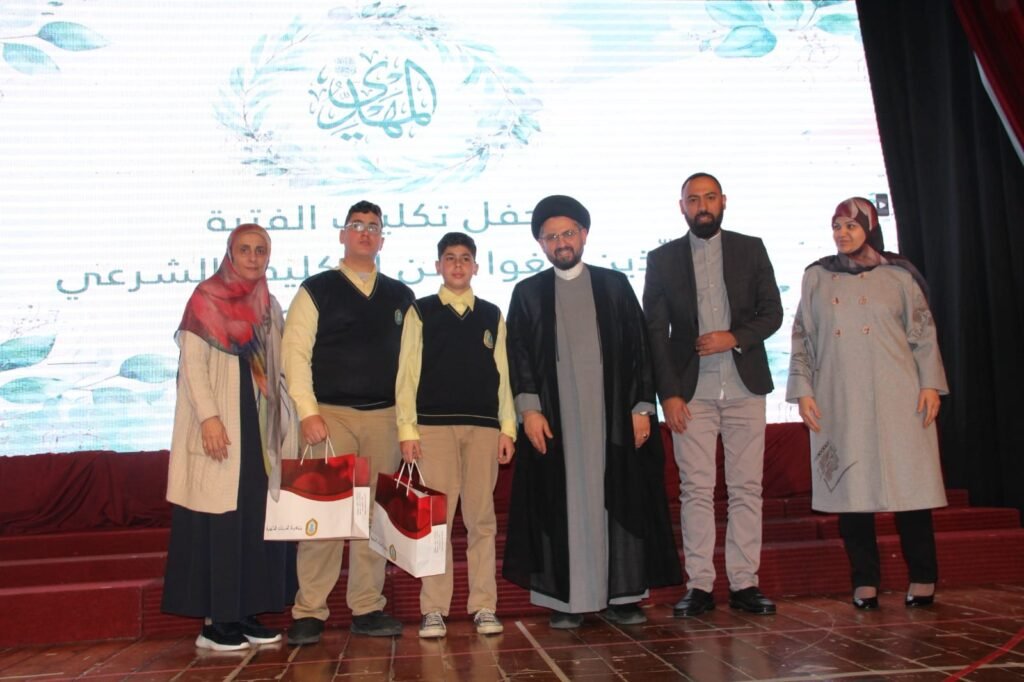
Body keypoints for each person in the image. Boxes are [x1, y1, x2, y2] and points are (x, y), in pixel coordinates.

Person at [502, 194, 682, 629]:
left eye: (568, 233)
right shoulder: (527, 293)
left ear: (584, 235)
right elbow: (518, 356)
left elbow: (639, 349)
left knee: (618, 503)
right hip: (556, 422)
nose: (561, 242)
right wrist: (529, 410)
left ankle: (623, 596)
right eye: (551, 237)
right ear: (540, 244)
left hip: (613, 421)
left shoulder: (613, 285)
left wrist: (642, 407)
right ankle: (568, 600)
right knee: (561, 508)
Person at [787, 197, 948, 609]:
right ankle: (864, 580)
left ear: (870, 228)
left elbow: (923, 333)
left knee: (910, 490)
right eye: (836, 226)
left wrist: (930, 384)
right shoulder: (817, 277)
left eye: (851, 226)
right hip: (842, 398)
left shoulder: (899, 275)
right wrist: (803, 390)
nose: (842, 233)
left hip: (900, 396)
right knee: (852, 493)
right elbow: (803, 337)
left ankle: (924, 575)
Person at [643, 172, 783, 617]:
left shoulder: (751, 248)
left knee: (747, 489)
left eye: (709, 198)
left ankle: (744, 583)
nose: (702, 206)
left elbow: (773, 313)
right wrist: (668, 394)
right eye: (693, 199)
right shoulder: (662, 259)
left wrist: (734, 338)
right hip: (691, 393)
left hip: (745, 386)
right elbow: (654, 332)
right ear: (681, 207)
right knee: (695, 490)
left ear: (724, 201)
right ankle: (700, 585)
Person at [282, 200, 414, 644]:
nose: (365, 232)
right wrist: (308, 412)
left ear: (382, 239)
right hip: (329, 417)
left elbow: (411, 367)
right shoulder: (316, 289)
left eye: (373, 227)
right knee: (324, 517)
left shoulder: (401, 296)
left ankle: (367, 607)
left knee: (375, 519)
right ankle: (309, 611)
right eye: (357, 225)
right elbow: (294, 354)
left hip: (385, 419)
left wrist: (407, 426)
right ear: (342, 235)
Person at [162, 222, 299, 651]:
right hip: (221, 425)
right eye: (245, 249)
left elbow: (278, 365)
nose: (253, 258)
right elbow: (192, 366)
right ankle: (216, 623)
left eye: (261, 250)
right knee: (221, 524)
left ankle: (246, 612)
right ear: (229, 253)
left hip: (259, 428)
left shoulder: (268, 305)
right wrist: (209, 419)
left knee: (255, 521)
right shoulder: (204, 299)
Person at [394, 232, 516, 639]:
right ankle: (434, 609)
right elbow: (407, 374)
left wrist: (508, 428)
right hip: (433, 427)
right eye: (450, 258)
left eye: (465, 258)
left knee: (482, 520)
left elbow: (504, 377)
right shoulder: (421, 311)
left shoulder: (492, 314)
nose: (458, 265)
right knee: (437, 523)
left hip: (483, 428)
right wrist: (407, 429)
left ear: (476, 266)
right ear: (438, 266)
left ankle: (484, 605)